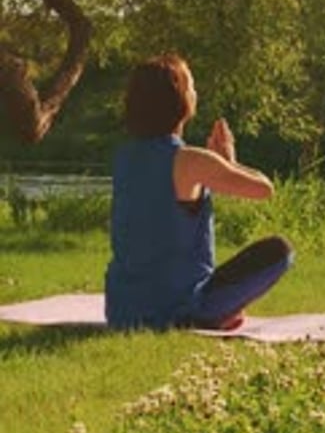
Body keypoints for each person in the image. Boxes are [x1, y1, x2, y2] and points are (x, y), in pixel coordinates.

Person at [105, 53, 293, 331]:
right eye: (191, 86)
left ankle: (211, 311)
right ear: (180, 99)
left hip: (123, 310)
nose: (195, 92)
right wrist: (230, 162)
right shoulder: (191, 160)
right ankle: (205, 316)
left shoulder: (124, 158)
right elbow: (264, 190)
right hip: (178, 308)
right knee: (280, 251)